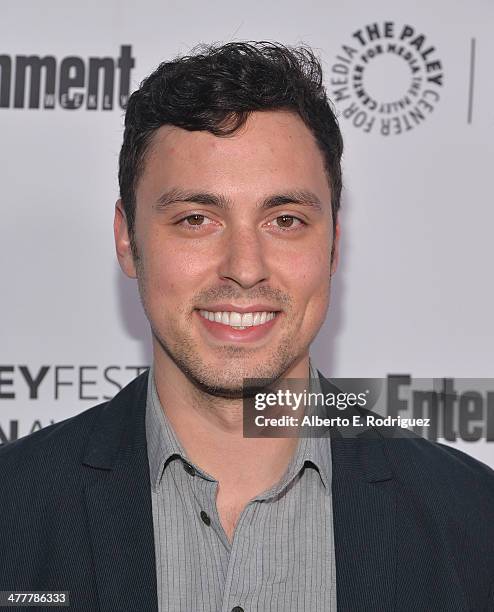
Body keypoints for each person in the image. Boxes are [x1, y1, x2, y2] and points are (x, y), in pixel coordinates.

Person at [0, 41, 493, 612]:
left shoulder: (471, 518)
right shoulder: (12, 508)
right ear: (126, 239)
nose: (244, 268)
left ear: (334, 244)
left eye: (285, 220)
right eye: (195, 219)